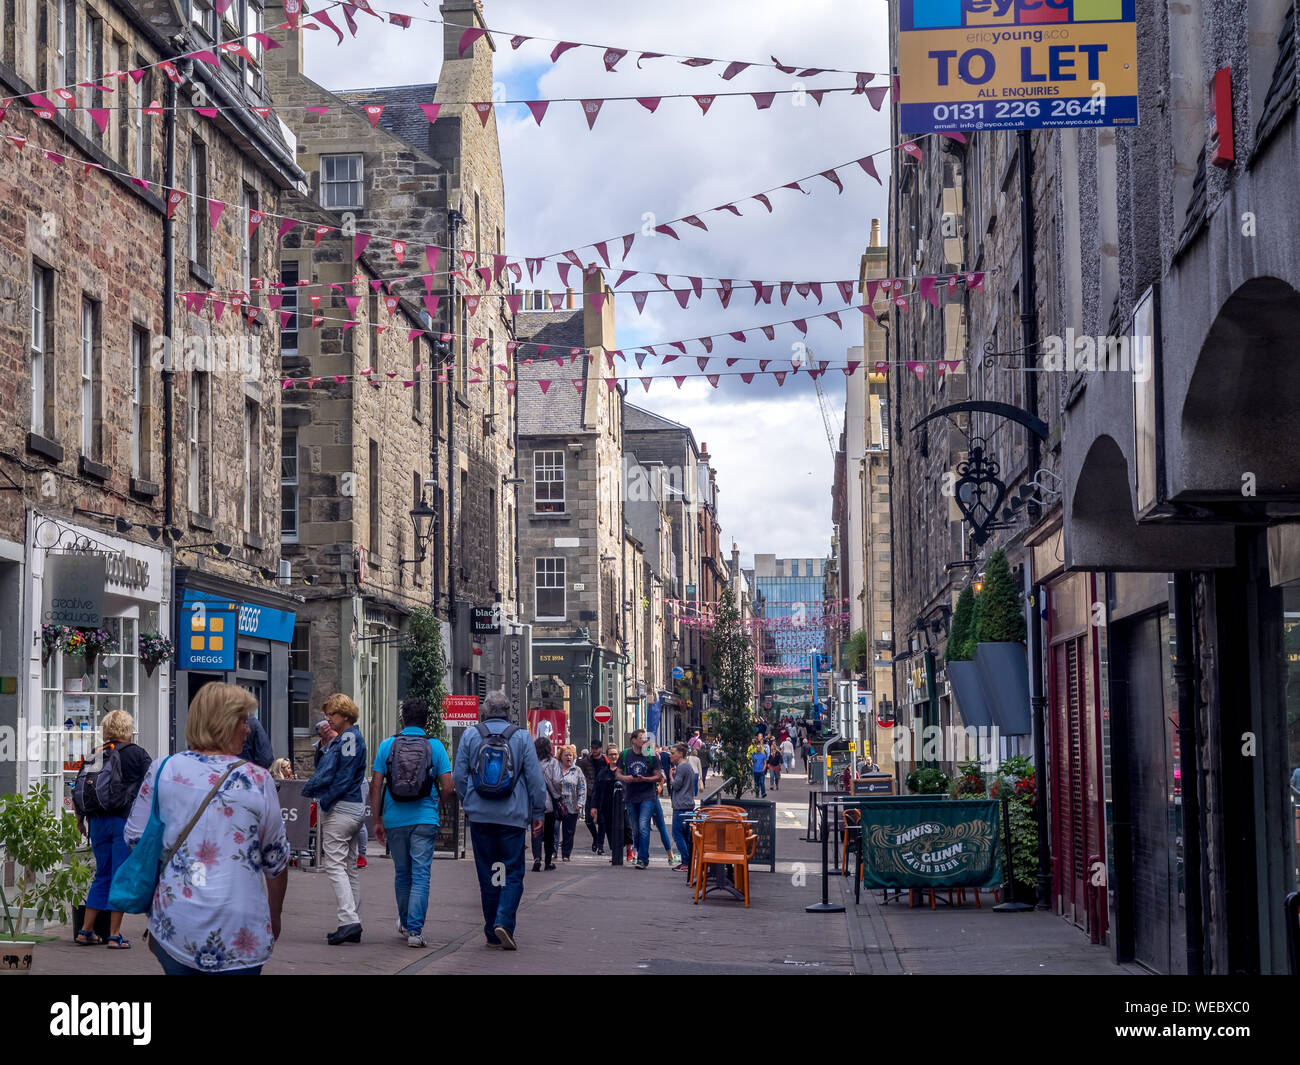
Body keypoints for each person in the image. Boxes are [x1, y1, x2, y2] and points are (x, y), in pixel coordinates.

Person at [124, 682, 288, 974]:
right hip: (241, 928)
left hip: (176, 922)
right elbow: (275, 861)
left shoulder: (163, 770)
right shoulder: (258, 780)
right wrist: (275, 916)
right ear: (224, 723)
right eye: (243, 721)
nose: (248, 730)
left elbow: (135, 838)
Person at [453, 691, 546, 951]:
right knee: (512, 871)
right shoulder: (521, 737)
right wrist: (538, 812)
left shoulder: (472, 735)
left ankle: (492, 929)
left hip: (481, 816)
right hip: (512, 817)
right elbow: (535, 780)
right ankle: (504, 921)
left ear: (485, 712)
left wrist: (469, 800)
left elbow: (459, 774)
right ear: (508, 712)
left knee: (489, 871)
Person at [368, 698, 454, 948]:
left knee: (402, 873)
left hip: (395, 819)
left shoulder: (387, 745)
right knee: (421, 874)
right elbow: (448, 786)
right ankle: (415, 932)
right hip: (425, 818)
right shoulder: (435, 747)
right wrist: (437, 805)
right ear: (427, 721)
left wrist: (377, 819)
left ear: (402, 719)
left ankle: (405, 923)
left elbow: (376, 785)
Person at [75, 709, 151, 949]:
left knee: (102, 874)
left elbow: (79, 788)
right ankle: (114, 934)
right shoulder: (137, 754)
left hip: (96, 822)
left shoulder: (96, 753)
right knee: (120, 876)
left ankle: (85, 931)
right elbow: (152, 787)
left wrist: (80, 820)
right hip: (123, 822)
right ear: (128, 729)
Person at [301, 693, 367, 945]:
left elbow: (341, 776)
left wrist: (325, 799)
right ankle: (353, 921)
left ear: (345, 716)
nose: (327, 719)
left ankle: (349, 920)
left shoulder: (348, 738)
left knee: (335, 866)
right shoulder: (347, 738)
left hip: (341, 809)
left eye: (332, 714)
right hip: (353, 809)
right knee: (349, 867)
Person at [616, 729, 666, 869]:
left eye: (645, 738)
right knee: (636, 829)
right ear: (633, 740)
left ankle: (643, 859)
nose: (644, 740)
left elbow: (659, 776)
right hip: (631, 796)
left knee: (644, 826)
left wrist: (645, 779)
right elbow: (618, 773)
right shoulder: (625, 754)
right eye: (641, 738)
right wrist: (626, 778)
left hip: (647, 796)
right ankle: (640, 853)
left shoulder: (651, 755)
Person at [532, 736, 561, 872]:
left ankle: (537, 858)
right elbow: (556, 781)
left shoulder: (531, 762)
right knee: (549, 832)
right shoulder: (553, 763)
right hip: (549, 801)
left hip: (534, 800)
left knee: (536, 830)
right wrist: (558, 795)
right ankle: (548, 861)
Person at [667, 743, 697, 873]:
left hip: (681, 805)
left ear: (680, 754)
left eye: (673, 753)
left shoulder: (682, 767)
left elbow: (677, 785)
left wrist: (671, 777)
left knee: (677, 833)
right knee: (686, 835)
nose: (671, 756)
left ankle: (686, 861)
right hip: (687, 804)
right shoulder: (687, 766)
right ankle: (688, 861)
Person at [556, 744, 587, 862]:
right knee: (554, 829)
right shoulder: (556, 768)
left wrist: (580, 803)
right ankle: (553, 852)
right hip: (557, 805)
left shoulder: (577, 771)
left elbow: (582, 787)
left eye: (571, 755)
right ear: (561, 757)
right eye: (566, 755)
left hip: (572, 805)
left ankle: (566, 854)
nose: (569, 757)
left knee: (569, 831)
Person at [591, 749, 618, 855]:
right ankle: (603, 847)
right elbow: (596, 790)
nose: (613, 757)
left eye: (615, 754)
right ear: (607, 756)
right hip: (604, 805)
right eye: (611, 755)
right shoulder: (602, 772)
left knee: (617, 828)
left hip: (618, 806)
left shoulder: (622, 771)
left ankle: (615, 848)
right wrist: (594, 806)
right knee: (603, 826)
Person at [577, 741, 603, 850]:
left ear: (601, 748)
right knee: (588, 819)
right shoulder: (585, 761)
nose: (594, 750)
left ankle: (600, 844)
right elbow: (579, 775)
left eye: (596, 748)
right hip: (590, 793)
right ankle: (595, 837)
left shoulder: (604, 761)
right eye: (593, 748)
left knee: (602, 820)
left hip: (602, 793)